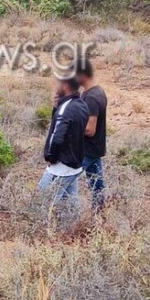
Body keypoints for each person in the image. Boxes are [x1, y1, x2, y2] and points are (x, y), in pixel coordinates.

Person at [38, 75, 89, 211]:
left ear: (65, 85)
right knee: (70, 208)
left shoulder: (66, 108)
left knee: (41, 203)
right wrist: (56, 108)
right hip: (74, 164)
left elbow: (57, 136)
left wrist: (51, 157)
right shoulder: (82, 105)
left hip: (61, 167)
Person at [76, 59, 108, 211]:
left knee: (66, 180)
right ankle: (99, 214)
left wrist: (71, 130)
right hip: (95, 148)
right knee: (97, 186)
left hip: (87, 150)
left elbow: (90, 130)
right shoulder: (96, 91)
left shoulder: (92, 97)